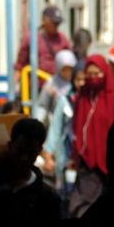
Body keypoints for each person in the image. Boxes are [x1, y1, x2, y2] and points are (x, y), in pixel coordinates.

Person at [67, 54, 114, 218]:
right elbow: (76, 126)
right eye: (89, 75)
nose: (93, 78)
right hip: (88, 160)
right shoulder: (83, 96)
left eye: (97, 74)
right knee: (82, 204)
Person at [34, 50, 77, 191]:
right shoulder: (51, 84)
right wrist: (38, 126)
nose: (68, 72)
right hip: (54, 126)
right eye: (65, 69)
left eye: (70, 69)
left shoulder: (74, 84)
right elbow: (42, 108)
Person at [13, 5, 72, 81]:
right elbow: (20, 65)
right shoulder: (32, 38)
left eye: (58, 23)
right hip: (35, 87)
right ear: (44, 20)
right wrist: (14, 85)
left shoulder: (63, 39)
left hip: (57, 87)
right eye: (54, 22)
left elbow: (70, 63)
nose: (56, 25)